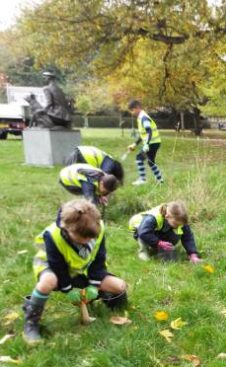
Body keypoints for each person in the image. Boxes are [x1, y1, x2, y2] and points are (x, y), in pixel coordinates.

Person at [22, 200, 128, 344]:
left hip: (80, 268)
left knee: (119, 286)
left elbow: (98, 258)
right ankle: (31, 323)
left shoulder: (97, 226)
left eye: (90, 238)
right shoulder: (52, 235)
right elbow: (58, 267)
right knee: (48, 282)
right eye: (81, 238)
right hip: (54, 268)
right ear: (67, 228)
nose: (86, 241)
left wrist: (94, 286)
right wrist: (68, 289)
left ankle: (99, 302)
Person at [129, 201, 201, 263]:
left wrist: (192, 254)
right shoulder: (152, 218)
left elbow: (187, 237)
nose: (177, 226)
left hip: (156, 229)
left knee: (174, 236)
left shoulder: (179, 220)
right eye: (175, 224)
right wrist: (159, 243)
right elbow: (143, 232)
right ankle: (143, 251)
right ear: (167, 216)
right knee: (143, 235)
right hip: (139, 229)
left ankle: (157, 249)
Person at [127, 100, 164, 185]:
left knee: (139, 158)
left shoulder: (143, 117)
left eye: (132, 110)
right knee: (150, 161)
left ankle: (142, 180)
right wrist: (135, 144)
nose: (132, 113)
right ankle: (160, 180)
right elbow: (143, 134)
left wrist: (147, 144)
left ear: (137, 108)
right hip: (155, 142)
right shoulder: (141, 117)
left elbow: (149, 131)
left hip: (152, 143)